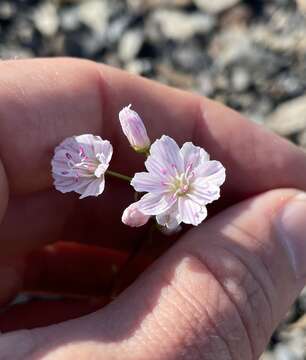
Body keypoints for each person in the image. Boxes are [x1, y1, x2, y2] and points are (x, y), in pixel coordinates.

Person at [0, 58, 305, 360]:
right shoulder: (129, 177)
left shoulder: (161, 173)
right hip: (156, 197)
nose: (182, 183)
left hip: (173, 199)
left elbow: (172, 196)